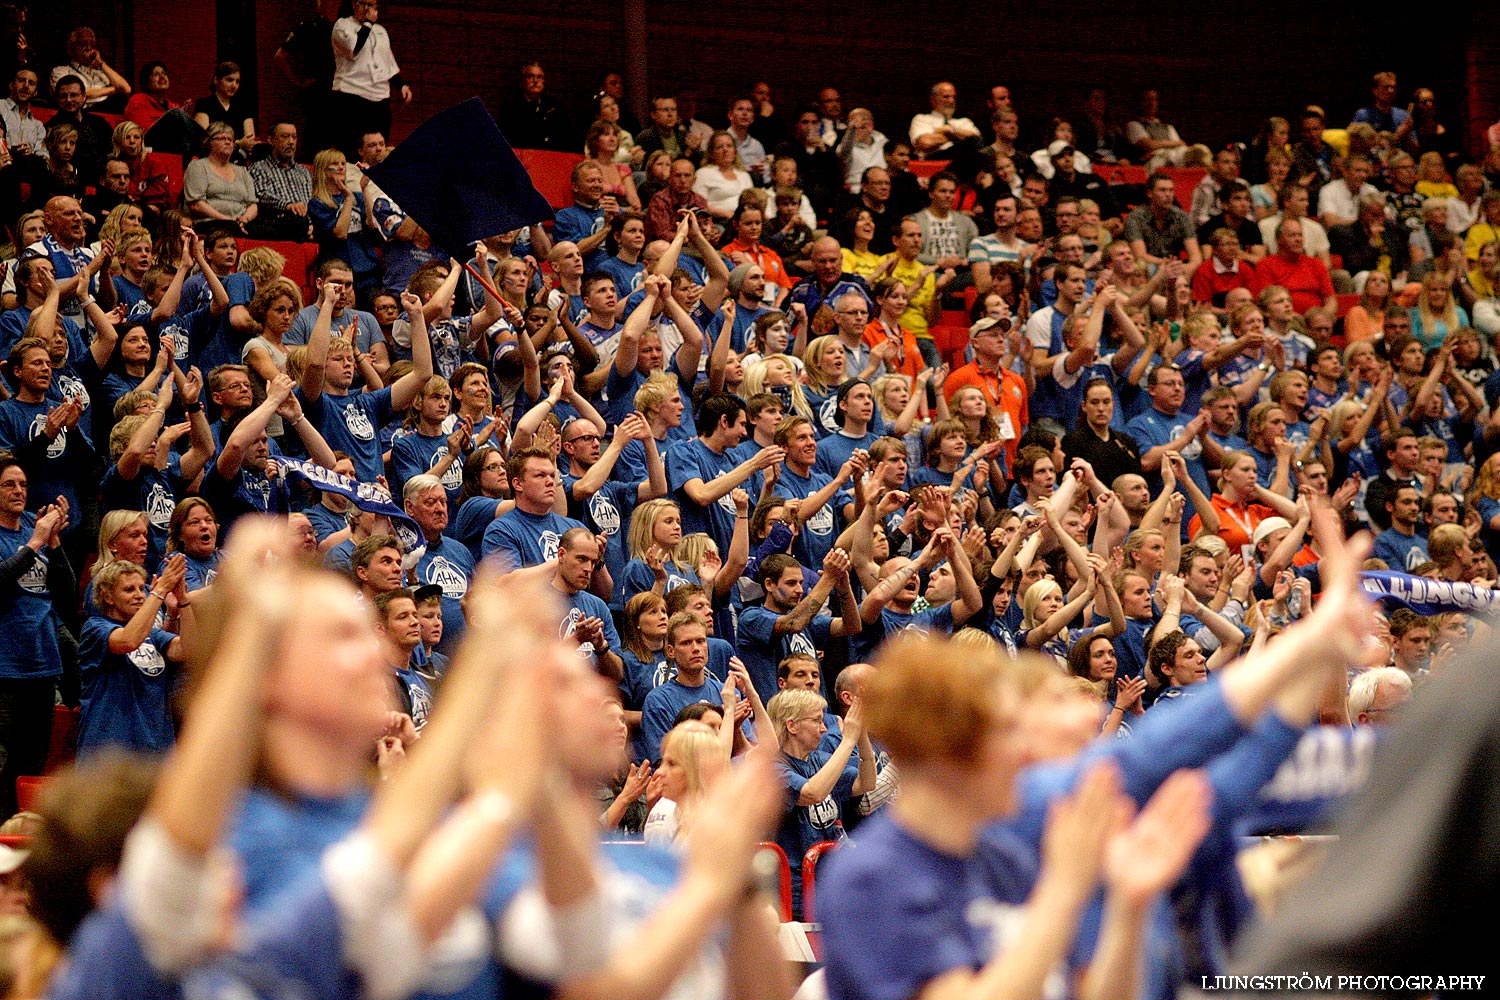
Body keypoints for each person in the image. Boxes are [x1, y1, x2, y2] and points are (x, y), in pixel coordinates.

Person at [0, 459, 70, 817]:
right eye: (9, 485)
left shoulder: (32, 526)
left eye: (23, 484)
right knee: (3, 765)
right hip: (5, 667)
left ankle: (21, 833)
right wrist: (35, 543)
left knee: (34, 762)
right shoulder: (24, 535)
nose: (19, 491)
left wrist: (54, 543)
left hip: (43, 660)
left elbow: (66, 589)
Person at [77, 556, 190, 755]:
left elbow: (187, 649)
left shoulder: (153, 634)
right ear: (108, 597)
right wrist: (160, 590)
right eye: (129, 590)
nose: (139, 595)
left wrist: (183, 601)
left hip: (156, 748)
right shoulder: (95, 628)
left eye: (141, 589)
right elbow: (128, 641)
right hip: (108, 752)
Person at [330, 0, 410, 153]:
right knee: (351, 148)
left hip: (379, 97)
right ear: (354, 4)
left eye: (372, 5)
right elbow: (354, 49)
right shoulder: (342, 25)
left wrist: (401, 85)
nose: (368, 9)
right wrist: (367, 24)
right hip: (351, 94)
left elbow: (387, 63)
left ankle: (374, 176)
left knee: (379, 147)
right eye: (364, 4)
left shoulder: (380, 31)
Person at [247, 122, 314, 241]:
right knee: (296, 221)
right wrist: (287, 205)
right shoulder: (259, 168)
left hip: (305, 223)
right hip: (276, 223)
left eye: (294, 137)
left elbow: (313, 200)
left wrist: (312, 223)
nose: (291, 142)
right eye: (285, 136)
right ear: (271, 140)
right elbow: (262, 195)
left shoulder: (304, 171)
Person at [182, 124, 256, 230]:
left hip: (240, 223)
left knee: (267, 231)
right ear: (209, 142)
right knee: (230, 227)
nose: (228, 142)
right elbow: (196, 204)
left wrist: (245, 219)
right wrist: (227, 220)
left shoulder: (242, 171)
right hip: (210, 221)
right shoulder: (198, 166)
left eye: (230, 139)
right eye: (222, 138)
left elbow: (253, 204)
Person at [498, 61, 570, 152]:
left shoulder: (554, 106)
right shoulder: (510, 106)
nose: (535, 81)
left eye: (539, 77)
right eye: (530, 76)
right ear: (523, 81)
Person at [190, 62, 255, 159]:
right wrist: (238, 143)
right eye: (229, 80)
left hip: (238, 159)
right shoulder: (204, 104)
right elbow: (206, 141)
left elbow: (249, 142)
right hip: (210, 159)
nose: (234, 85)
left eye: (237, 82)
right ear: (216, 80)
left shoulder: (243, 108)